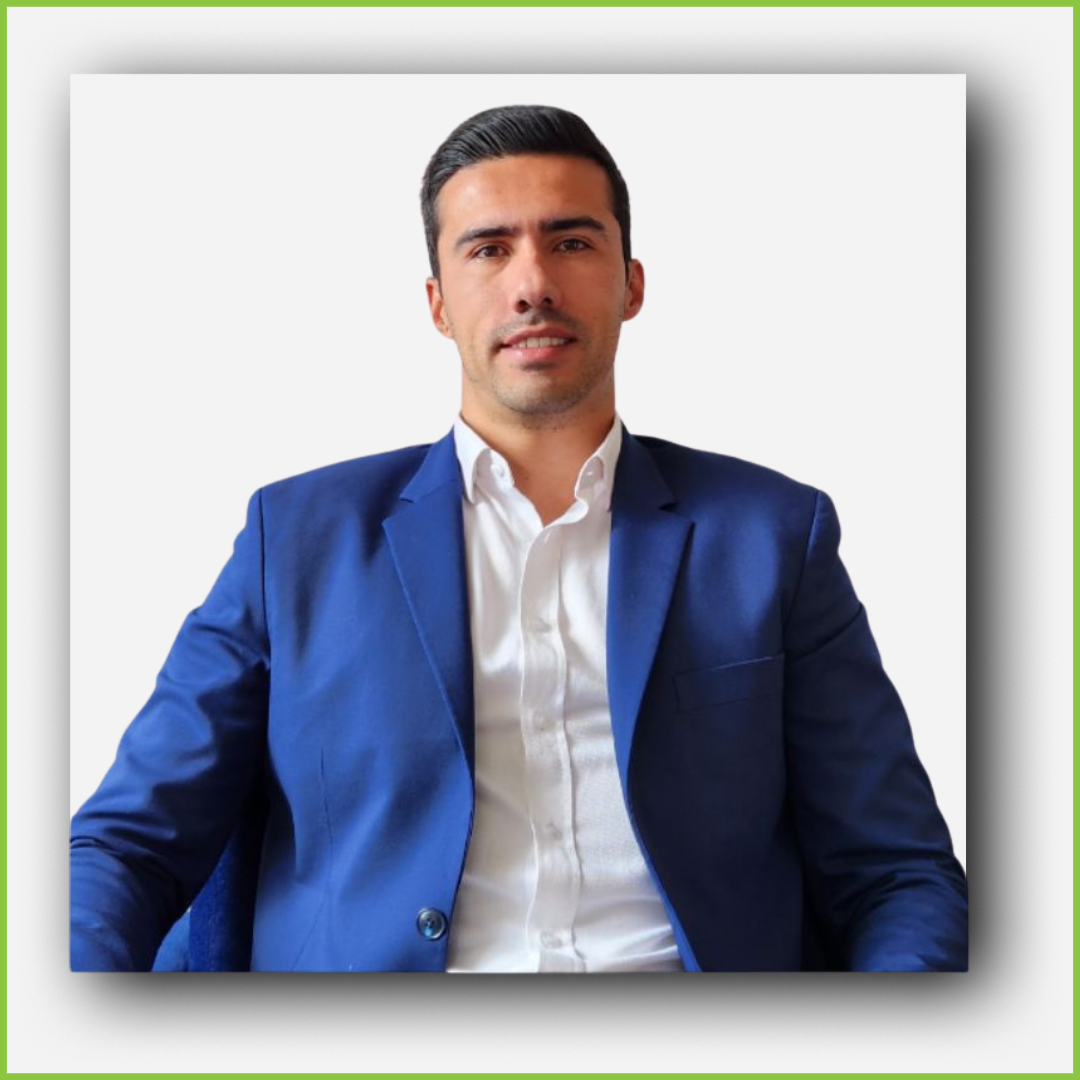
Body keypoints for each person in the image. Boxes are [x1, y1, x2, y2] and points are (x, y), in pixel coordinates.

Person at [70, 104, 967, 973]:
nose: (532, 281)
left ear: (633, 283)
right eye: (489, 249)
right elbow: (126, 847)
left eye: (572, 241)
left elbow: (896, 873)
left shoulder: (772, 538)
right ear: (437, 303)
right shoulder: (297, 540)